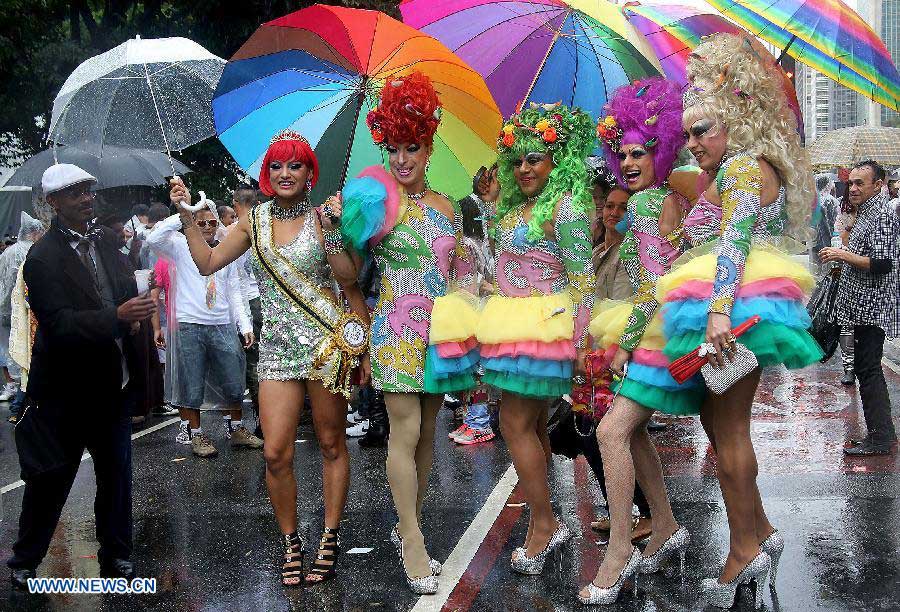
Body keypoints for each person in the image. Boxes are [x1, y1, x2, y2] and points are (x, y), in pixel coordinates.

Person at [658, 35, 823, 608]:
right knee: (719, 426)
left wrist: (719, 312)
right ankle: (759, 532)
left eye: (704, 130)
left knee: (728, 432)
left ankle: (742, 551)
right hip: (739, 303)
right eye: (688, 132)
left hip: (734, 309)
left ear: (736, 124)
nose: (693, 141)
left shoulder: (744, 170)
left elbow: (733, 244)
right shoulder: (743, 170)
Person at [168, 129, 370, 588]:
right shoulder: (253, 221)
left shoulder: (325, 218)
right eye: (276, 166)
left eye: (294, 165)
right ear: (266, 173)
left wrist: (335, 231)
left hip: (326, 347)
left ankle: (330, 538)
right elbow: (207, 262)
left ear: (309, 172)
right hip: (277, 350)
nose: (285, 174)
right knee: (276, 452)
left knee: (331, 444)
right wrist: (185, 216)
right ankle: (292, 541)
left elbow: (349, 280)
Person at [337, 71, 476, 594]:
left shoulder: (448, 207)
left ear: (428, 145)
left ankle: (406, 525)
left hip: (441, 331)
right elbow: (350, 272)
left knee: (427, 438)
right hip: (394, 327)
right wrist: (336, 234)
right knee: (406, 430)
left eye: (411, 147)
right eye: (393, 147)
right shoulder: (375, 200)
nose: (401, 159)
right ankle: (414, 541)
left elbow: (459, 271)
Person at [7, 164, 157, 588]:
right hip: (66, 391)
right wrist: (116, 317)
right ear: (53, 202)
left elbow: (123, 287)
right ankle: (24, 560)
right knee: (51, 479)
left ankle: (118, 556)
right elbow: (59, 324)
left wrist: (134, 310)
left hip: (114, 384)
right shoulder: (41, 257)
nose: (87, 199)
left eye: (88, 191)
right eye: (75, 194)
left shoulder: (106, 240)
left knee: (116, 477)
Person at [580, 78, 694, 605]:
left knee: (610, 432)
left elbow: (652, 285)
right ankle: (666, 525)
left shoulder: (651, 205)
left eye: (640, 152)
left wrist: (624, 341)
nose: (627, 161)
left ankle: (621, 548)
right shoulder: (656, 200)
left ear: (661, 150)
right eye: (621, 152)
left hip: (657, 332)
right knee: (634, 433)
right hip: (661, 328)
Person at [477, 102, 594, 577]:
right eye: (518, 159)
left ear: (557, 159)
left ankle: (545, 523)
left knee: (514, 424)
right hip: (510, 324)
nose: (525, 168)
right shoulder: (514, 204)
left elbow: (583, 277)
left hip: (544, 328)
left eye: (536, 158)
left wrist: (583, 343)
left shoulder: (564, 207)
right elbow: (506, 262)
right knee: (534, 427)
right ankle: (546, 518)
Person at [146, 203, 261, 458]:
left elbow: (234, 290)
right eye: (201, 223)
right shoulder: (178, 245)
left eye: (211, 222)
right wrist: (185, 214)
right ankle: (196, 434)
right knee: (191, 384)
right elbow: (152, 237)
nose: (208, 227)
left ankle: (237, 429)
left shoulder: (225, 247)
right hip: (189, 324)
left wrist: (244, 324)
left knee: (233, 379)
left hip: (221, 323)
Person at [821, 160, 900, 456]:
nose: (852, 189)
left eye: (859, 184)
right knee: (866, 369)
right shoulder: (865, 213)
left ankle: (880, 438)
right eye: (850, 183)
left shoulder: (881, 216)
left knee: (868, 370)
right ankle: (881, 434)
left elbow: (882, 263)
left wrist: (843, 254)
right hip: (859, 305)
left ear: (878, 184)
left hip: (872, 307)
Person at [450, 164, 500, 446]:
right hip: (472, 307)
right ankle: (474, 420)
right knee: (471, 368)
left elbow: (486, 275)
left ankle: (480, 422)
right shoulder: (471, 243)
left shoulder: (477, 240)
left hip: (482, 308)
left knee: (478, 369)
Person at [0, 212, 44, 419]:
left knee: (14, 352)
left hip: (8, 311)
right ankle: (20, 406)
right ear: (34, 232)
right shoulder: (35, 252)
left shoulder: (8, 252)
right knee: (27, 356)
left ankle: (19, 399)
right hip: (27, 313)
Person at [230, 188, 264, 437]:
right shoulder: (269, 226)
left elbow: (236, 280)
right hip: (268, 301)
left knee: (255, 363)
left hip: (250, 302)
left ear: (235, 204)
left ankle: (265, 419)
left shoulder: (235, 233)